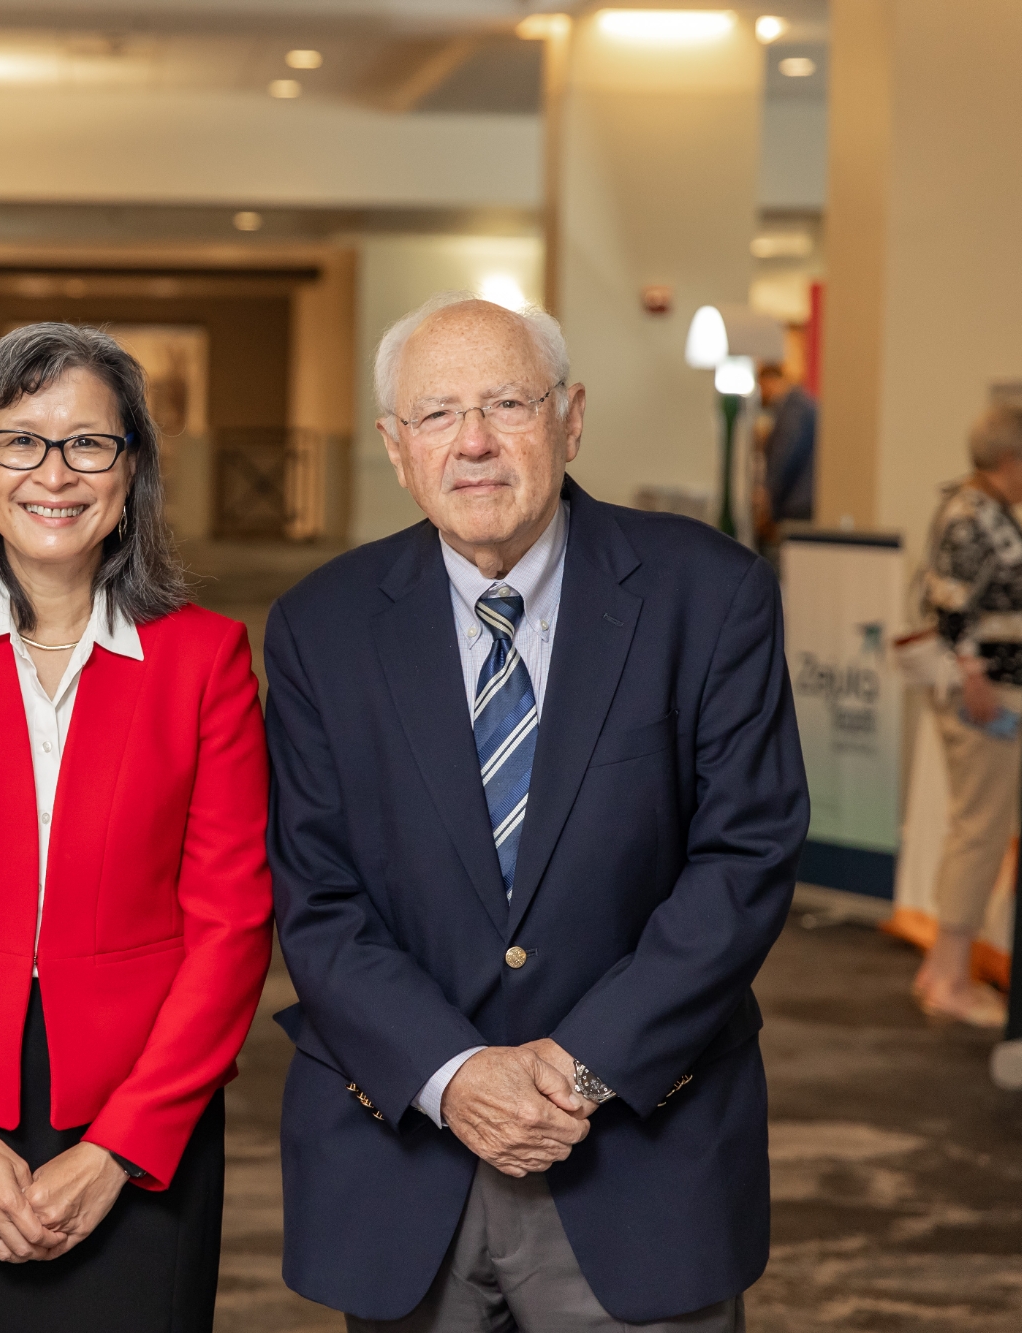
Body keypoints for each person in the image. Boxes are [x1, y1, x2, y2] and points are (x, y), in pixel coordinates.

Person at [265, 292, 808, 1330]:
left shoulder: (708, 594)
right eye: (434, 415)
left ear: (570, 417)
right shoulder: (319, 627)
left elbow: (744, 857)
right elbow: (314, 892)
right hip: (404, 1155)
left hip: (641, 1153)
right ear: (394, 445)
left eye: (505, 402)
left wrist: (575, 1066)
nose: (471, 442)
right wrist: (453, 1072)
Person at [0, 322, 273, 1332]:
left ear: (130, 471)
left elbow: (231, 923)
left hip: (139, 1118)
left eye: (86, 443)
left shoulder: (205, 660)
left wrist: (120, 1145)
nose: (52, 472)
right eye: (19, 439)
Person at [912, 403, 1022, 1027]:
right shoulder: (973, 514)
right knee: (981, 832)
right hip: (987, 695)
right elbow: (950, 604)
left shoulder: (983, 510)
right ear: (1012, 460)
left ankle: (943, 968)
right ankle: (949, 978)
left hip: (992, 688)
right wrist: (975, 678)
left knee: (978, 829)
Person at [754, 363, 817, 550]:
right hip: (800, 502)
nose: (762, 394)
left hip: (797, 503)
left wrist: (767, 492)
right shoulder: (800, 405)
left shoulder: (795, 408)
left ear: (771, 381)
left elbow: (786, 453)